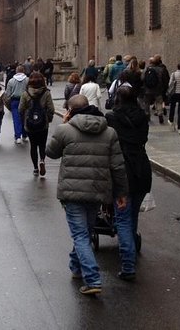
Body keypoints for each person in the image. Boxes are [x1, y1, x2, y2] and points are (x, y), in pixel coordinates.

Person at [45, 94, 129, 295]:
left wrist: (63, 125)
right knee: (85, 233)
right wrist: (121, 192)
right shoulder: (109, 132)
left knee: (81, 235)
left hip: (72, 192)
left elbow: (51, 152)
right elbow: (117, 166)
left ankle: (92, 279)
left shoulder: (65, 130)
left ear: (70, 111)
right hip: (98, 191)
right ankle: (76, 267)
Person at [106, 86, 153, 281]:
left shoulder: (112, 118)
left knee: (122, 220)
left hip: (122, 171)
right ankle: (131, 252)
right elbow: (143, 139)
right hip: (142, 169)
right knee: (132, 218)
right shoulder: (143, 117)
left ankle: (127, 265)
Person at [18, 72, 54, 177]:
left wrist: (24, 119)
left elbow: (20, 109)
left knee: (33, 146)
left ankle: (35, 168)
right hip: (43, 124)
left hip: (30, 124)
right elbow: (51, 109)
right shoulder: (46, 93)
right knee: (42, 145)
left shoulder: (26, 93)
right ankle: (42, 160)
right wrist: (48, 119)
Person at [5, 65, 29, 144]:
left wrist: (8, 103)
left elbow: (8, 93)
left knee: (16, 119)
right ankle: (25, 135)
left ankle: (18, 136)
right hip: (25, 100)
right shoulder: (27, 80)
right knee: (25, 118)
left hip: (15, 101)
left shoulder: (11, 81)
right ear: (23, 71)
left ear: (16, 71)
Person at [143, 56, 167, 123]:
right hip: (158, 89)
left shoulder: (146, 69)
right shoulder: (160, 69)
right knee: (159, 102)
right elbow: (164, 80)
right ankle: (160, 114)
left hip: (147, 90)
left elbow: (143, 79)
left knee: (146, 103)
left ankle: (147, 115)